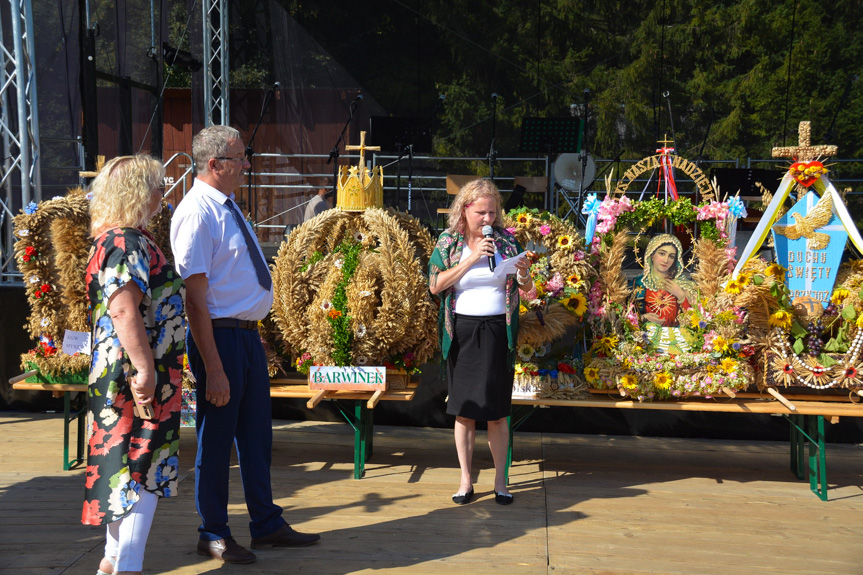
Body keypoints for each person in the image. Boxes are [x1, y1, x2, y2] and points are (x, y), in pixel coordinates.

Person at [170, 125, 320, 565]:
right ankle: (212, 531)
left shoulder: (227, 206)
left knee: (257, 438)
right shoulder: (197, 212)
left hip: (245, 337)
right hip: (220, 338)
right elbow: (195, 301)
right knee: (216, 441)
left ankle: (266, 523)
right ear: (214, 165)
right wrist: (213, 367)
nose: (247, 165)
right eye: (239, 158)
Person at [83, 155, 186, 575]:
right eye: (158, 186)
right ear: (138, 192)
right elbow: (124, 311)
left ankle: (112, 559)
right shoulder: (125, 241)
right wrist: (145, 369)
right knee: (143, 465)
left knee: (121, 464)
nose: (163, 194)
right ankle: (129, 566)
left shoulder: (115, 238)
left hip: (123, 371)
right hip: (140, 373)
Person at [428, 178, 533, 506]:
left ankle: (501, 482)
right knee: (464, 410)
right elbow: (435, 285)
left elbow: (526, 289)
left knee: (498, 412)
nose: (488, 219)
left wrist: (525, 275)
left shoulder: (506, 241)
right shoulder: (449, 242)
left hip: (497, 333)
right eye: (481, 213)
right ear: (464, 210)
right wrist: (471, 258)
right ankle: (465, 480)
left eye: (492, 212)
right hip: (462, 332)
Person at [631, 233, 698, 353]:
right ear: (651, 255)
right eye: (662, 253)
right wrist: (643, 318)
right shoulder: (637, 284)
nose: (666, 260)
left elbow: (698, 318)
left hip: (679, 337)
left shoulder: (684, 284)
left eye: (671, 256)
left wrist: (682, 296)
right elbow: (624, 316)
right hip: (647, 337)